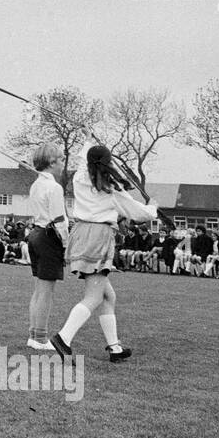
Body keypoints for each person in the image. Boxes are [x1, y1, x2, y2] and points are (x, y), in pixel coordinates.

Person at [50, 143, 157, 362]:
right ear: (108, 163)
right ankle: (63, 338)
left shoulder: (79, 178)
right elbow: (140, 213)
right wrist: (153, 207)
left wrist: (87, 139)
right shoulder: (111, 189)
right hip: (98, 237)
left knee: (108, 296)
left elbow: (82, 159)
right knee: (94, 296)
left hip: (81, 233)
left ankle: (114, 348)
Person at [25, 143, 68, 351]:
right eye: (61, 160)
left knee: (39, 290)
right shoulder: (54, 187)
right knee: (46, 292)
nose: (63, 165)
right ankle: (40, 338)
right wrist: (67, 245)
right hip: (49, 236)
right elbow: (60, 220)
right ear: (51, 163)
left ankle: (34, 334)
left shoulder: (36, 185)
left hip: (35, 235)